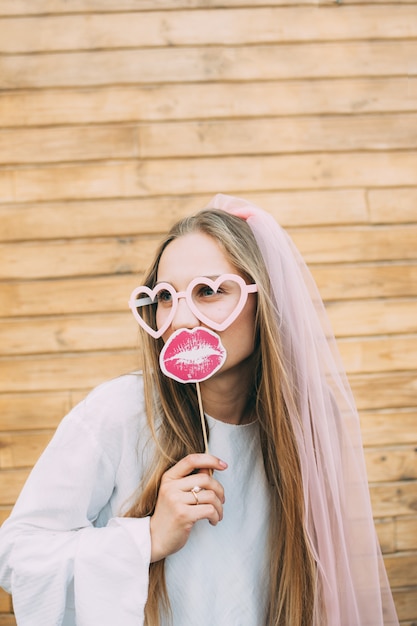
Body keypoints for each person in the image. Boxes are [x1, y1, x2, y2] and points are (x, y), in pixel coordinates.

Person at [0, 194, 398, 626]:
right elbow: (16, 554)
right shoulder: (119, 412)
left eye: (209, 292)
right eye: (166, 297)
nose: (181, 320)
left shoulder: (310, 425)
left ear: (265, 300)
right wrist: (147, 539)